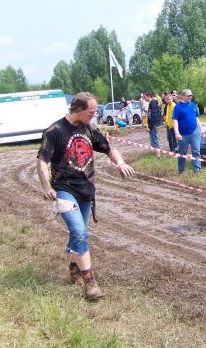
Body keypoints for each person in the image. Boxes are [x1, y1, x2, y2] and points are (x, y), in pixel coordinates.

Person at [36, 92, 135, 300]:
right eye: (91, 111)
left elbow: (109, 149)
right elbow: (43, 161)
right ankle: (90, 282)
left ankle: (74, 266)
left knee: (79, 233)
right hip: (64, 189)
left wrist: (121, 163)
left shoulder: (90, 128)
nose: (95, 114)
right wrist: (46, 186)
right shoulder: (54, 131)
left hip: (86, 190)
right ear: (79, 110)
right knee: (79, 232)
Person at [173, 89, 204, 173]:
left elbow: (196, 117)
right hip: (183, 134)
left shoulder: (193, 105)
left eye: (191, 96)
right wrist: (177, 133)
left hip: (195, 132)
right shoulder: (178, 107)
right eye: (188, 95)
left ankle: (197, 169)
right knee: (182, 152)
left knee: (196, 151)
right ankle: (181, 169)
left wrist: (201, 128)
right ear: (183, 96)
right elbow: (175, 121)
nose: (190, 97)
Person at [144, 91, 163, 157]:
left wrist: (149, 127)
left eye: (145, 97)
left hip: (154, 124)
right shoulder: (151, 103)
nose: (144, 98)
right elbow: (150, 115)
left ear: (148, 96)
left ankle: (158, 155)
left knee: (155, 139)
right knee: (152, 139)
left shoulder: (153, 103)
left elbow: (153, 116)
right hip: (152, 124)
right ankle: (156, 153)